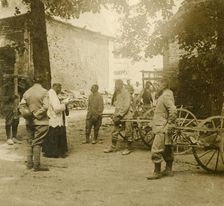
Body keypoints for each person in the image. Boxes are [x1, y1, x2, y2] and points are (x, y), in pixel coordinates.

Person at [147, 78, 177, 180]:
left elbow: (173, 110)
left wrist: (169, 124)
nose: (157, 87)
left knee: (156, 149)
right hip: (162, 126)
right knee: (167, 148)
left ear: (164, 85)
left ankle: (157, 172)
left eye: (159, 85)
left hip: (162, 127)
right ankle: (168, 170)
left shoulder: (165, 96)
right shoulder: (165, 95)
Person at [19, 76, 49, 172]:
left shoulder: (27, 92)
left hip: (29, 121)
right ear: (42, 82)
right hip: (41, 121)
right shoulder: (44, 92)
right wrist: (37, 114)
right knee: (37, 143)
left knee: (30, 141)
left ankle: (29, 164)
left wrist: (26, 114)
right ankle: (36, 165)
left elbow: (21, 105)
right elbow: (46, 106)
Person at [104, 79, 133, 155]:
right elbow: (117, 106)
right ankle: (113, 147)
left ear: (120, 85)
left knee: (128, 132)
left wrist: (120, 115)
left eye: (116, 85)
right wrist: (115, 115)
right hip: (119, 115)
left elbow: (126, 106)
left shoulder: (126, 93)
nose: (115, 86)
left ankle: (128, 148)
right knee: (115, 131)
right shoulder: (118, 93)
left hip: (127, 115)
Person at [42, 83, 69, 158]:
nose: (60, 90)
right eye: (59, 88)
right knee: (55, 135)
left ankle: (50, 152)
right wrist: (64, 104)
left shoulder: (51, 93)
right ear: (55, 87)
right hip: (54, 118)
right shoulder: (52, 94)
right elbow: (57, 108)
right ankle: (54, 153)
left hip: (53, 118)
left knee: (52, 135)